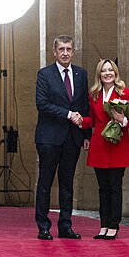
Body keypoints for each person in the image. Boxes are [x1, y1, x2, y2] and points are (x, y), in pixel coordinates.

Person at [34, 35, 91, 240]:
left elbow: (84, 105)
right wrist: (68, 114)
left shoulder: (81, 74)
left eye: (68, 49)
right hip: (49, 137)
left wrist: (86, 133)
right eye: (61, 49)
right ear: (54, 51)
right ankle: (43, 226)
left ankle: (65, 226)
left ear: (73, 51)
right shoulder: (45, 74)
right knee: (45, 183)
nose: (65, 53)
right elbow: (42, 104)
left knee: (67, 184)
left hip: (73, 137)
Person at [81, 59, 129, 240]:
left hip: (118, 144)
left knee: (115, 186)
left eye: (110, 70)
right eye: (104, 71)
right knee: (102, 188)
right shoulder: (94, 95)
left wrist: (123, 120)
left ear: (115, 73)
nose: (107, 73)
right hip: (99, 145)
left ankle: (114, 225)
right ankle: (104, 225)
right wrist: (80, 121)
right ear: (99, 74)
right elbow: (91, 119)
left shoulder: (126, 93)